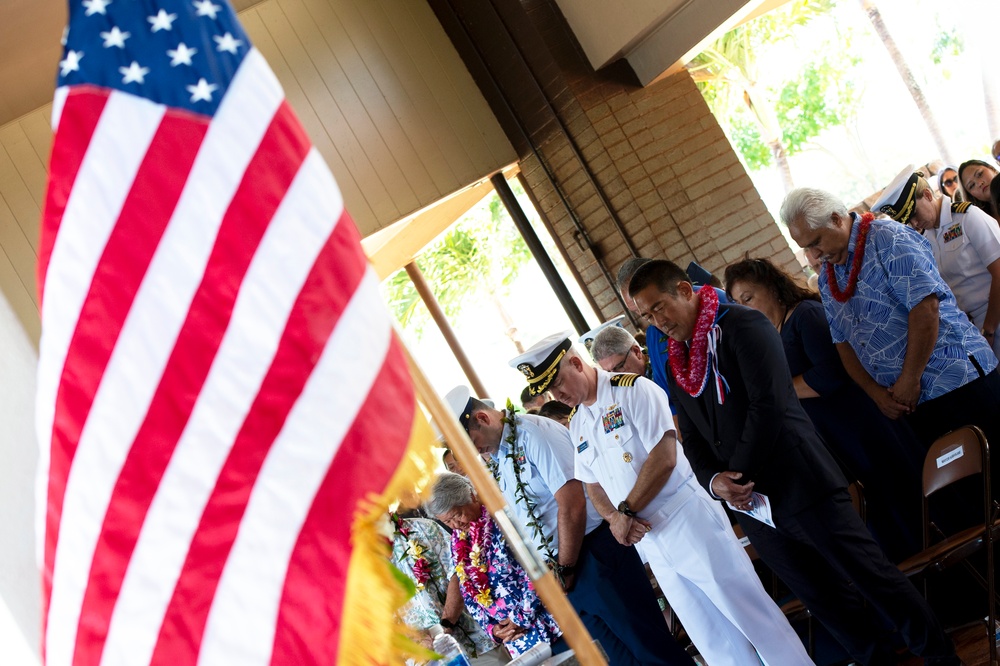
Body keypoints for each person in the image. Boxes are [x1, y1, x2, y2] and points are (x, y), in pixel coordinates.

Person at [628, 259, 961, 665]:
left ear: (684, 289)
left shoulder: (743, 325)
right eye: (646, 315)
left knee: (873, 578)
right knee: (826, 601)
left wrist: (737, 475)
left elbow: (768, 405)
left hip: (799, 483)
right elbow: (691, 435)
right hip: (752, 506)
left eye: (659, 306)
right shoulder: (676, 358)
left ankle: (943, 659)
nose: (656, 321)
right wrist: (714, 481)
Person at [512, 332, 814, 666]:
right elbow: (592, 485)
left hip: (685, 518)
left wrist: (626, 510)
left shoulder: (632, 390)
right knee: (710, 637)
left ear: (575, 362)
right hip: (649, 539)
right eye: (550, 391)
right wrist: (614, 519)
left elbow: (664, 455)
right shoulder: (578, 423)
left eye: (557, 384)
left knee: (750, 616)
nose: (557, 395)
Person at [445, 385, 694, 666]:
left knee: (650, 649)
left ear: (482, 418)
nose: (475, 452)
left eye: (472, 443)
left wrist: (564, 568)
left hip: (592, 555)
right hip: (564, 571)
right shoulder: (499, 458)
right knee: (618, 659)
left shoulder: (535, 433)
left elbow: (572, 503)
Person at [781, 187, 1000, 479]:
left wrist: (909, 379)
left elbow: (925, 308)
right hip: (909, 403)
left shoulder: (887, 238)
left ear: (835, 218)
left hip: (956, 379)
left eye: (816, 242)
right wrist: (875, 394)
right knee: (975, 490)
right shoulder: (828, 276)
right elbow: (842, 342)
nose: (813, 254)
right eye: (806, 248)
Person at [724, 256, 924, 562]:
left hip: (858, 425)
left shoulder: (806, 315)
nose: (745, 307)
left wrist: (777, 391)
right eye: (738, 303)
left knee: (898, 501)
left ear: (773, 288)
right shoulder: (769, 336)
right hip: (830, 438)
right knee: (874, 516)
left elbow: (829, 375)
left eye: (748, 298)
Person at [427, 473, 564, 658]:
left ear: (471, 496)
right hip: (517, 640)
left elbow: (536, 566)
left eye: (457, 515)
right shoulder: (458, 541)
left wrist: (519, 619)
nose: (455, 525)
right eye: (447, 522)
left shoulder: (501, 518)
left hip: (548, 621)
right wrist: (493, 629)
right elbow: (468, 592)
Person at [873, 167, 1000, 359]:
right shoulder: (923, 239)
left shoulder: (967, 217)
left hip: (994, 316)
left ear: (927, 194)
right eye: (908, 221)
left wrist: (989, 329)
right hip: (974, 328)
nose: (914, 224)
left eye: (914, 214)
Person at [389, 511, 501, 663]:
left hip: (474, 641)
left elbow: (460, 571)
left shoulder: (422, 528)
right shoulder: (355, 568)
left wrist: (447, 623)